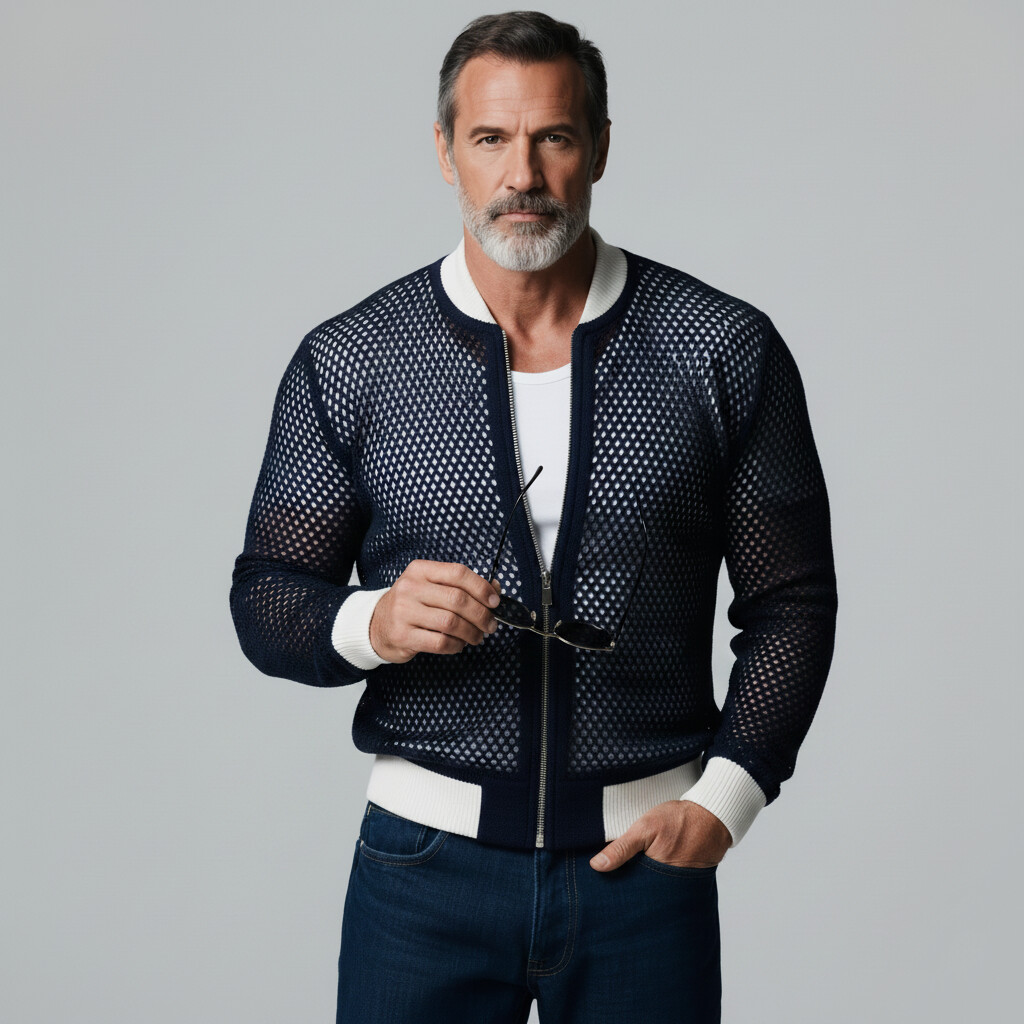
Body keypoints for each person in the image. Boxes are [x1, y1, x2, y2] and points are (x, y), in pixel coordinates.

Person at [230, 11, 838, 1023]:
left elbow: (792, 601)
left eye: (553, 136)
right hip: (421, 874)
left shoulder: (720, 349)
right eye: (490, 138)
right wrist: (373, 621)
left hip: (643, 868)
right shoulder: (353, 360)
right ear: (445, 152)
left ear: (599, 146)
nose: (523, 174)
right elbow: (266, 598)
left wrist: (728, 797)